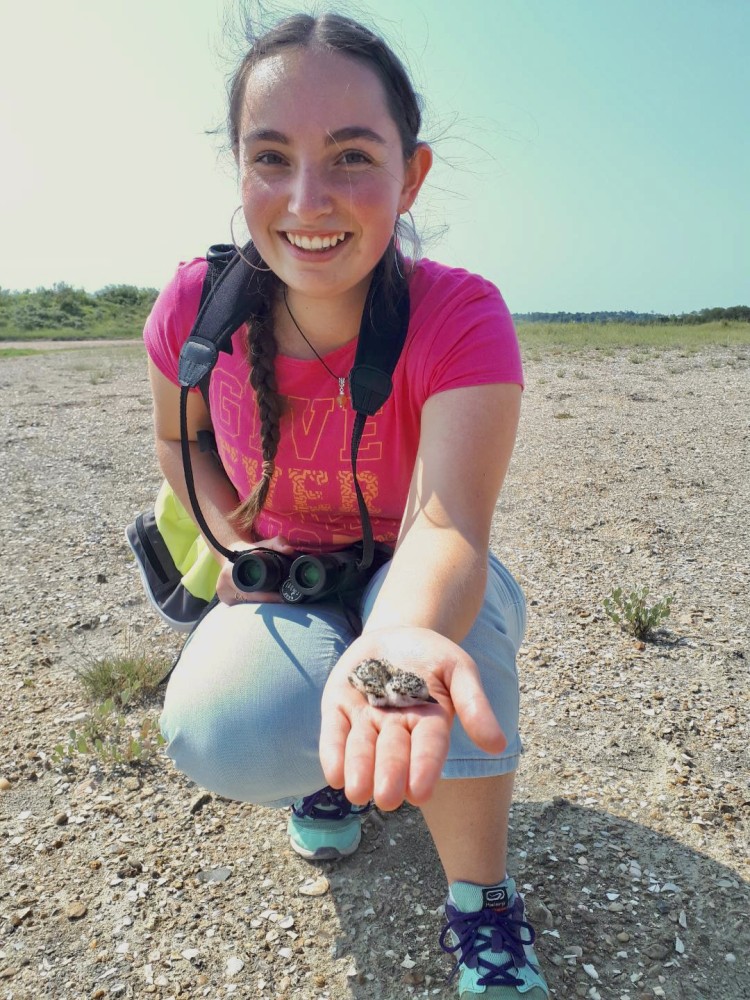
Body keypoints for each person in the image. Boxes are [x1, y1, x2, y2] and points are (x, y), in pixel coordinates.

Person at [145, 12, 548, 999]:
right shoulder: (196, 303)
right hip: (289, 576)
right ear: (238, 170)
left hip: (417, 568)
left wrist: (398, 641)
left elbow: (450, 522)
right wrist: (237, 539)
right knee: (213, 727)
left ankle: (480, 900)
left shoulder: (459, 314)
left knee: (457, 656)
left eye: (351, 157)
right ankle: (327, 760)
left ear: (411, 177)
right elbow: (181, 437)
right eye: (270, 156)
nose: (306, 199)